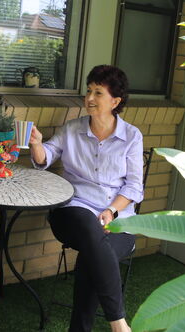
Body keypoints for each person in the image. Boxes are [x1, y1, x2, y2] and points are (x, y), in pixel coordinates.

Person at [29, 65, 143, 332]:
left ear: (115, 101)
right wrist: (36, 144)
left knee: (92, 257)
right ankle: (119, 322)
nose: (89, 98)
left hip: (118, 219)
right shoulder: (72, 129)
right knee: (91, 235)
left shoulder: (132, 137)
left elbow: (135, 187)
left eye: (98, 93)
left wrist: (112, 211)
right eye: (89, 91)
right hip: (73, 211)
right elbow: (45, 158)